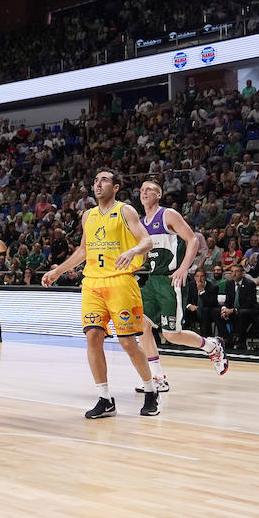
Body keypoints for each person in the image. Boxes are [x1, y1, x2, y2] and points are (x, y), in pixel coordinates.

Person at [42, 169, 159, 418]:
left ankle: (151, 390)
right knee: (93, 337)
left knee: (128, 342)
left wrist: (132, 251)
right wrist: (58, 271)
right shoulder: (88, 215)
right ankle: (105, 398)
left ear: (115, 187)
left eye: (104, 180)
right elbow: (83, 250)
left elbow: (147, 242)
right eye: (95, 180)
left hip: (120, 282)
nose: (98, 184)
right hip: (92, 284)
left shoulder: (125, 210)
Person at [134, 179, 227, 394]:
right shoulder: (141, 223)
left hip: (170, 281)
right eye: (141, 190)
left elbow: (192, 240)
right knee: (142, 326)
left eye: (149, 189)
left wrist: (185, 268)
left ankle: (212, 346)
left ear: (159, 195)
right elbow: (148, 254)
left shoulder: (168, 215)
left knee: (171, 335)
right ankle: (157, 378)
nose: (144, 192)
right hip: (152, 281)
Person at [220, 263, 259, 350]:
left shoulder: (250, 284)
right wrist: (224, 309)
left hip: (249, 311)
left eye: (236, 271)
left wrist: (233, 310)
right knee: (217, 312)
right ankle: (228, 339)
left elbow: (249, 304)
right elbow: (228, 301)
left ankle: (241, 342)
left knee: (242, 313)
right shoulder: (229, 284)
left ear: (242, 273)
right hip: (234, 310)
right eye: (232, 272)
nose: (234, 274)